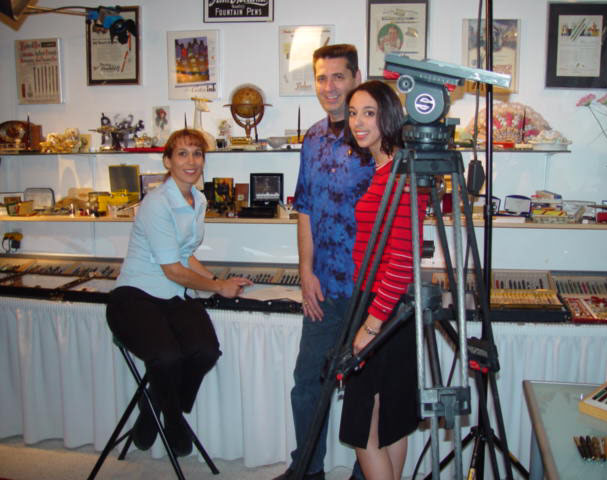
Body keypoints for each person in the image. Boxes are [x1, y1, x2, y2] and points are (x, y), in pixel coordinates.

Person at [107, 129, 252, 457]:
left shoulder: (197, 200)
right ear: (168, 161)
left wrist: (218, 278)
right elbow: (171, 268)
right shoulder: (157, 203)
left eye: (197, 154)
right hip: (135, 296)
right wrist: (218, 288)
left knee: (205, 352)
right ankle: (172, 418)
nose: (191, 161)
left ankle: (151, 408)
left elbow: (185, 254)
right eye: (183, 154)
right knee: (168, 358)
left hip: (172, 296)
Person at [275, 44, 374, 480]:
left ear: (356, 78)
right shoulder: (312, 138)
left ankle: (365, 475)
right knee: (306, 387)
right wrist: (305, 272)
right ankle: (307, 471)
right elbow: (306, 209)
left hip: (370, 290)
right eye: (321, 78)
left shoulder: (376, 136)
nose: (329, 87)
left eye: (338, 77)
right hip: (324, 290)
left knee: (365, 391)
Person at [339, 80, 428, 480]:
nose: (358, 122)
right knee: (390, 420)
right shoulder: (386, 168)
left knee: (363, 427)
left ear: (388, 116)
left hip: (384, 308)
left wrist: (372, 324)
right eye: (354, 112)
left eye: (369, 113)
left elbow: (403, 259)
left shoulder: (400, 173)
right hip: (390, 308)